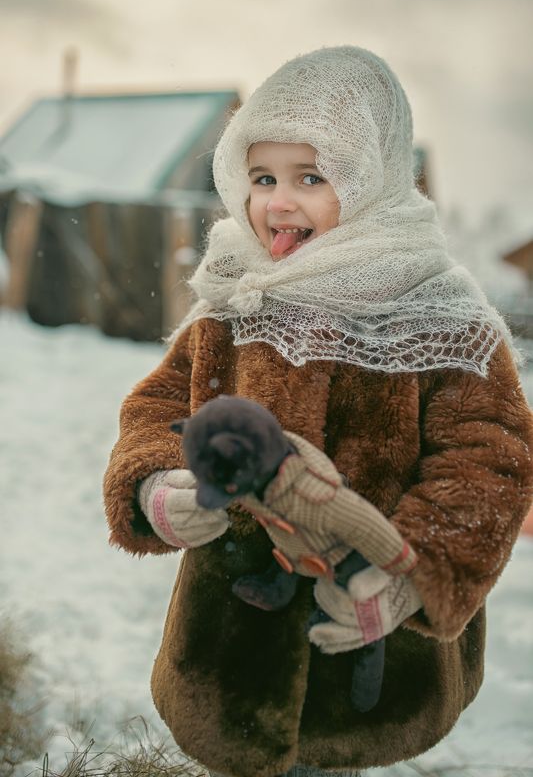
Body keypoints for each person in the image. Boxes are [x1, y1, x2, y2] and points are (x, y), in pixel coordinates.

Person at [103, 46, 533, 777]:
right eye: (262, 177)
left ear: (374, 180)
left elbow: (490, 461)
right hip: (227, 649)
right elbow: (157, 409)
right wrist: (155, 486)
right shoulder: (236, 298)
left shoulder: (439, 313)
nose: (277, 201)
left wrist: (410, 576)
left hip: (368, 644)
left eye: (312, 177)